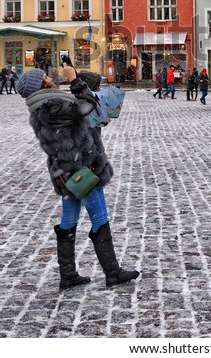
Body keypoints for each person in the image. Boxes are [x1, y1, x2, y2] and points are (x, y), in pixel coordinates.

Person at [17, 66, 139, 290]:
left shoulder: (44, 105)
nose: (50, 77)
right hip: (81, 171)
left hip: (66, 172)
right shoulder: (51, 106)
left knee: (69, 220)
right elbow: (87, 105)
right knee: (100, 217)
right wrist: (75, 81)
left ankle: (68, 275)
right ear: (40, 86)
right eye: (44, 76)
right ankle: (112, 272)